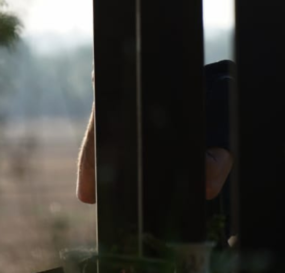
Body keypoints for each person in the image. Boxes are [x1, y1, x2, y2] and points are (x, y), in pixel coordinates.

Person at [76, 60, 236, 242]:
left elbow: (209, 183)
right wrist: (103, 97)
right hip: (136, 257)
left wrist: (157, 103)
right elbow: (88, 192)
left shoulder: (219, 87)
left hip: (197, 258)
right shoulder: (130, 99)